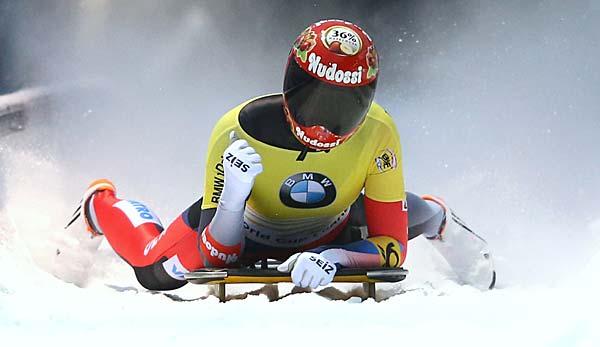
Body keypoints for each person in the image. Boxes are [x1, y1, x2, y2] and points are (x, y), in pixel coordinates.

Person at [68, 19, 495, 291]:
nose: (325, 128)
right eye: (316, 102)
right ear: (290, 87)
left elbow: (393, 244)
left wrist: (336, 257)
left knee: (403, 212)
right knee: (154, 270)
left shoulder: (379, 132)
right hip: (246, 229)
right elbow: (217, 256)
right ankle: (99, 205)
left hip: (336, 225)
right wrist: (233, 202)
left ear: (367, 105)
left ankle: (441, 220)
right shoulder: (236, 131)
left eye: (345, 110)